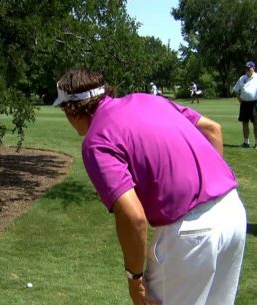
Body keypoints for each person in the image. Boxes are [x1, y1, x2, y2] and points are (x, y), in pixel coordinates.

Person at [53, 69, 246, 305]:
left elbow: (133, 218)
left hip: (191, 235)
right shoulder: (149, 99)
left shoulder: (96, 140)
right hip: (233, 211)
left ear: (72, 111)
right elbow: (212, 129)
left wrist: (135, 281)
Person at [233, 60, 257, 148]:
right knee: (244, 123)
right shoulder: (242, 78)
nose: (247, 70)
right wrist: (240, 100)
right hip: (244, 104)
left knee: (255, 123)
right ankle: (246, 142)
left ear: (253, 68)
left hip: (255, 103)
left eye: (248, 68)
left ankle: (256, 143)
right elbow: (236, 90)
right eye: (246, 68)